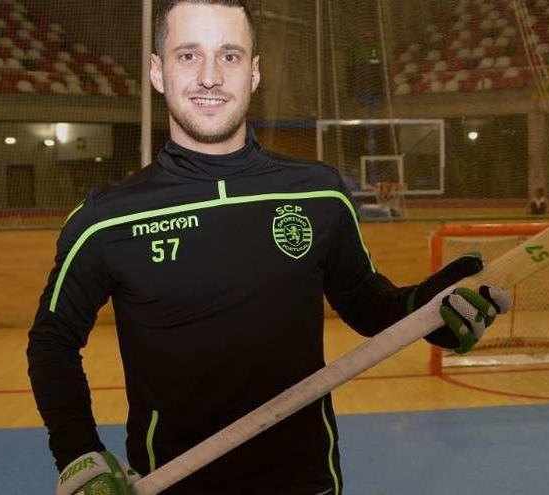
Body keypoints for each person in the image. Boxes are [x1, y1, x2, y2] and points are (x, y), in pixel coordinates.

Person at [27, 2, 511, 494]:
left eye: (230, 56)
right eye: (189, 55)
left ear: (254, 72)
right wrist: (79, 452)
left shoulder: (318, 193)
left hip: (307, 482)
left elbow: (367, 303)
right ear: (157, 71)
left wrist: (427, 313)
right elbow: (52, 341)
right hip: (171, 484)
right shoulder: (107, 218)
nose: (210, 77)